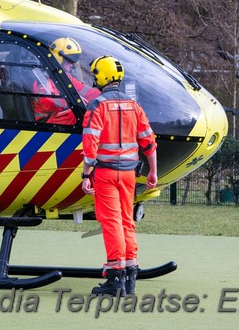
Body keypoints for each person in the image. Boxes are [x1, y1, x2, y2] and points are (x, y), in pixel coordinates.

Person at [81, 55, 158, 296]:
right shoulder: (134, 106)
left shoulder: (97, 106)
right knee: (127, 221)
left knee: (111, 222)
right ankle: (130, 275)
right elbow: (149, 142)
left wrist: (86, 174)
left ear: (100, 77)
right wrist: (153, 172)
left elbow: (90, 142)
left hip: (105, 174)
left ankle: (115, 278)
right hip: (129, 175)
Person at [32, 37, 99, 124]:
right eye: (70, 60)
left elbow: (86, 91)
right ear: (59, 58)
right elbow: (48, 104)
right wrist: (74, 100)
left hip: (59, 120)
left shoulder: (65, 76)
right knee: (78, 114)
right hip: (45, 123)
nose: (73, 64)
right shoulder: (42, 79)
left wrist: (107, 95)